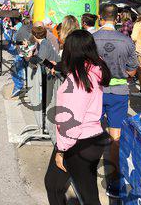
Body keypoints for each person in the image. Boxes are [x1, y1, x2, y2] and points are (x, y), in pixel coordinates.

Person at [45, 30, 111, 205]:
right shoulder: (94, 69)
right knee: (77, 190)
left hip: (77, 142)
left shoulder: (77, 80)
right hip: (91, 138)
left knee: (71, 191)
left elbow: (70, 121)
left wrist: (61, 150)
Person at [92, 4, 138, 199]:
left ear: (100, 17)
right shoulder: (126, 40)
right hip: (119, 92)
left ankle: (86, 173)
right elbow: (133, 70)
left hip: (95, 90)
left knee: (90, 132)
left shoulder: (91, 39)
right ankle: (114, 183)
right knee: (116, 137)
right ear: (117, 18)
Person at [11, 16, 33, 97]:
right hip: (25, 53)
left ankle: (18, 87)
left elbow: (16, 42)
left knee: (16, 69)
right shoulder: (28, 31)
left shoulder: (22, 31)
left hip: (25, 54)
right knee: (22, 69)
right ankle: (21, 86)